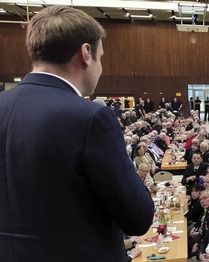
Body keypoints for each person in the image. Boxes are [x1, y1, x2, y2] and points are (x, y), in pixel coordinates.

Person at [0, 6, 155, 260]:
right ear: (85, 53)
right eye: (101, 57)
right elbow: (137, 216)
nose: (101, 66)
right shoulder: (90, 118)